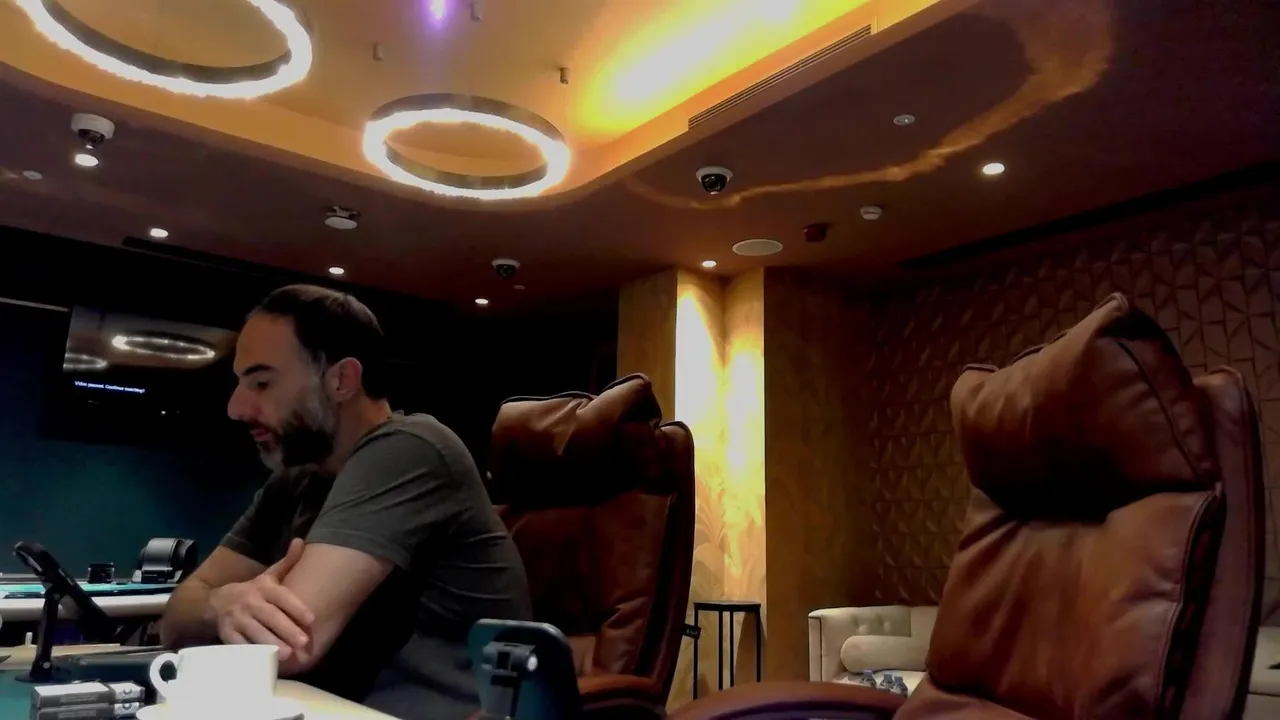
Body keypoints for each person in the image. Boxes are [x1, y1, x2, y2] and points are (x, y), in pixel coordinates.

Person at [158, 284, 532, 719]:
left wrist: (221, 611)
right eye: (240, 383)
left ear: (341, 381)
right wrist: (219, 606)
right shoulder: (295, 480)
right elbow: (174, 620)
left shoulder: (410, 448)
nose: (235, 407)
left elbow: (290, 647)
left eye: (262, 382)